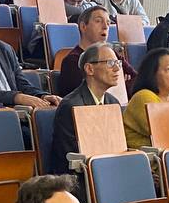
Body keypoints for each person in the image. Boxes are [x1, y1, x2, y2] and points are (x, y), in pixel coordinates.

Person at [51, 41, 123, 175]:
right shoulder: (71, 106)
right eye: (110, 63)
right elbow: (69, 157)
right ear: (89, 69)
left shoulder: (113, 103)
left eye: (118, 63)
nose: (117, 69)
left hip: (109, 171)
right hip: (78, 176)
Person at [57, 5, 134, 96]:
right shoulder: (72, 60)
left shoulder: (113, 55)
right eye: (98, 21)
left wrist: (122, 86)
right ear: (83, 26)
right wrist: (120, 85)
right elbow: (86, 94)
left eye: (108, 23)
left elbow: (137, 81)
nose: (105, 27)